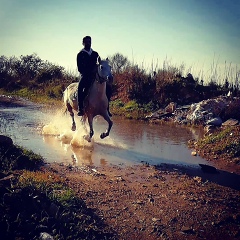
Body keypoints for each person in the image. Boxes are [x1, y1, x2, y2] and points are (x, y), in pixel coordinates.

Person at [77, 36, 100, 116]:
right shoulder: (80, 54)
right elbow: (79, 68)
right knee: (80, 88)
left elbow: (99, 64)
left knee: (107, 87)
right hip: (86, 76)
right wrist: (87, 72)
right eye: (86, 42)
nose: (88, 43)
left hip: (95, 76)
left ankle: (106, 108)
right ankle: (80, 108)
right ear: (83, 43)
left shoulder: (95, 54)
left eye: (89, 42)